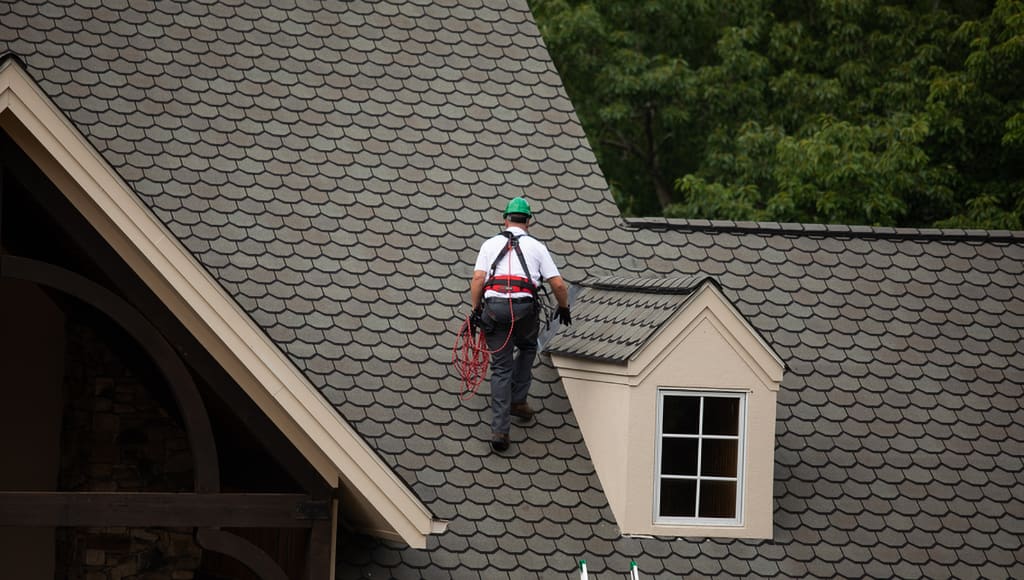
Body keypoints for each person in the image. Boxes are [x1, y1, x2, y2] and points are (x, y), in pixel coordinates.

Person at [469, 197, 570, 453]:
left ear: (505, 219)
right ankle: (518, 400)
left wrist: (475, 311)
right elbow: (558, 284)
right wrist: (564, 307)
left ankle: (500, 432)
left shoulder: (489, 245)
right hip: (525, 310)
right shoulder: (537, 247)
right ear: (529, 221)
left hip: (495, 310)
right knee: (527, 346)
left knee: (501, 368)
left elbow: (478, 279)